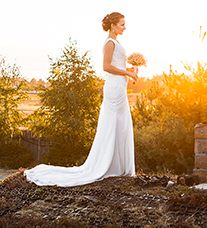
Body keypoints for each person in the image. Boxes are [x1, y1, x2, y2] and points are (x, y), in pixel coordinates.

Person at [25, 12, 138, 186]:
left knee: (121, 124)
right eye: (122, 24)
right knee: (114, 123)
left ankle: (119, 165)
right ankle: (108, 165)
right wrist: (127, 72)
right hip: (114, 87)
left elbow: (116, 64)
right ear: (113, 25)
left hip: (119, 85)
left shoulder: (116, 41)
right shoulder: (109, 42)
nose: (125, 27)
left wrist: (129, 69)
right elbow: (106, 66)